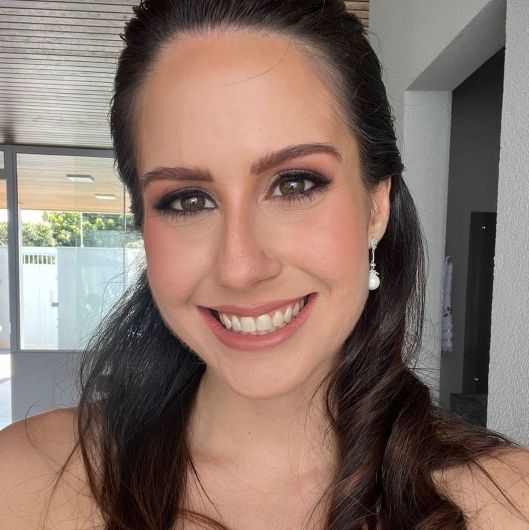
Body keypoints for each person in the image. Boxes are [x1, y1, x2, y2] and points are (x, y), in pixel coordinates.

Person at [1, 0, 528, 528]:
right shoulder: (23, 481)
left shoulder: (510, 503)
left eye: (294, 184)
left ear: (375, 206)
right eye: (188, 200)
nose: (240, 268)